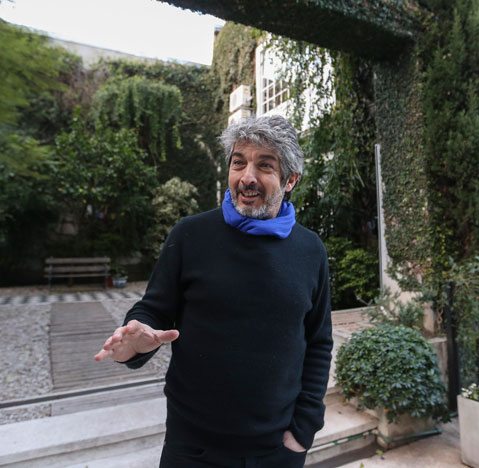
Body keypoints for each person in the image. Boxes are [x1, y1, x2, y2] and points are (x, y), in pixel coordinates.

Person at [95, 115, 333, 468]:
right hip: (193, 449)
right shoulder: (190, 235)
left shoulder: (310, 250)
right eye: (239, 163)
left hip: (276, 451)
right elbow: (153, 311)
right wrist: (135, 340)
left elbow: (318, 342)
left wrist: (303, 432)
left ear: (290, 180)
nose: (247, 177)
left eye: (264, 165)